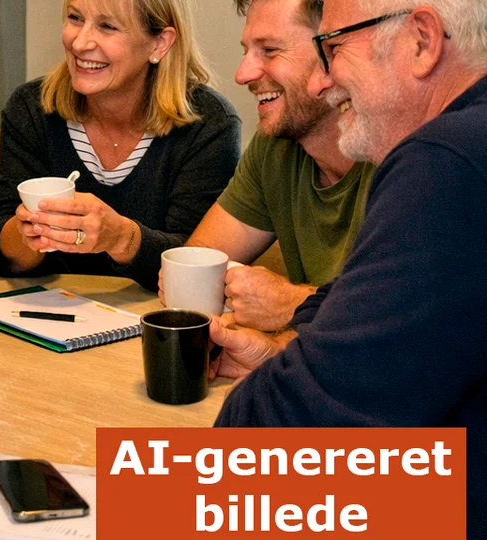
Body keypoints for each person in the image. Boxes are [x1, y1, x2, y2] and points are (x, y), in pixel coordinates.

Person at [210, 0, 487, 533]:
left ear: (422, 40)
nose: (322, 82)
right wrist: (296, 349)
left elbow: (287, 431)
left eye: (334, 47)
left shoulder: (446, 161)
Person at [0, 0, 241, 291]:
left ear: (160, 43)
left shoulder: (208, 124)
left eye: (107, 26)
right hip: (44, 311)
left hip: (157, 315)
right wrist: (28, 234)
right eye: (75, 18)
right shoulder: (33, 108)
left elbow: (198, 265)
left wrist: (121, 238)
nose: (79, 43)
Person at [161, 0, 376, 331]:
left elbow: (408, 317)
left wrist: (293, 303)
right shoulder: (274, 145)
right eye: (246, 50)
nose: (242, 74)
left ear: (334, 52)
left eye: (270, 51)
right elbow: (196, 264)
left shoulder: (402, 152)